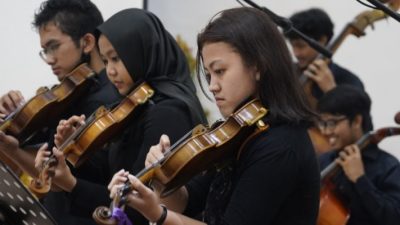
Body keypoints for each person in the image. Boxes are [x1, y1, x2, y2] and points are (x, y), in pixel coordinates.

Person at [108, 7, 320, 225]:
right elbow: (188, 202)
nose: (212, 86)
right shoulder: (241, 132)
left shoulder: (281, 146)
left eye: (220, 71)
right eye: (208, 75)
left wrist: (158, 215)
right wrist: (162, 182)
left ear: (258, 66)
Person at [34, 8, 206, 224]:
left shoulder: (168, 111)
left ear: (142, 51)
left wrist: (71, 184)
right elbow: (110, 176)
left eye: (116, 58)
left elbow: (139, 208)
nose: (110, 71)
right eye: (105, 61)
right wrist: (69, 154)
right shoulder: (136, 105)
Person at [0, 0, 120, 224]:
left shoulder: (112, 101)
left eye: (54, 46)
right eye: (44, 51)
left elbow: (79, 183)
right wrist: (11, 142)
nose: (49, 59)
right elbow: (47, 176)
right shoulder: (69, 96)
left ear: (86, 42)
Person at [317, 85, 400, 225]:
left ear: (356, 121)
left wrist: (360, 179)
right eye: (322, 123)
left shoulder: (388, 167)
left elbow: (394, 218)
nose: (325, 131)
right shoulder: (323, 161)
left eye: (331, 123)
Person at [285, 8, 364, 101]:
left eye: (301, 46)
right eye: (292, 45)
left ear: (322, 40)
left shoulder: (348, 81)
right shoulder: (285, 75)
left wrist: (331, 91)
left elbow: (357, 115)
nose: (295, 53)